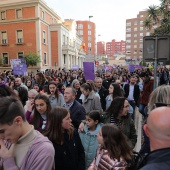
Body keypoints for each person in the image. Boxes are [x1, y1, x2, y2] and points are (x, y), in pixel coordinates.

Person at [0, 96, 55, 170]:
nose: (1, 137)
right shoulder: (9, 140)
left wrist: (8, 160)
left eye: (2, 131)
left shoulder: (44, 150)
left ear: (18, 121)